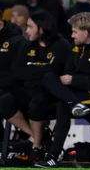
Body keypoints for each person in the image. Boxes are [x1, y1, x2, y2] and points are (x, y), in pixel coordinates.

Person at [34, 12, 90, 167]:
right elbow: (67, 72)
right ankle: (74, 103)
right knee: (48, 78)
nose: (72, 36)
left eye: (74, 32)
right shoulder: (75, 48)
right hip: (76, 93)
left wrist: (74, 80)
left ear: (85, 33)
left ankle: (53, 156)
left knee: (62, 104)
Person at [0, 9, 69, 160]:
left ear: (41, 29)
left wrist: (34, 69)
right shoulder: (28, 45)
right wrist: (44, 68)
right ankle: (38, 136)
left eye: (30, 27)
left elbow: (54, 73)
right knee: (5, 100)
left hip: (50, 93)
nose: (27, 30)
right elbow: (17, 71)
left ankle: (36, 145)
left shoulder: (61, 45)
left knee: (37, 102)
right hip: (29, 88)